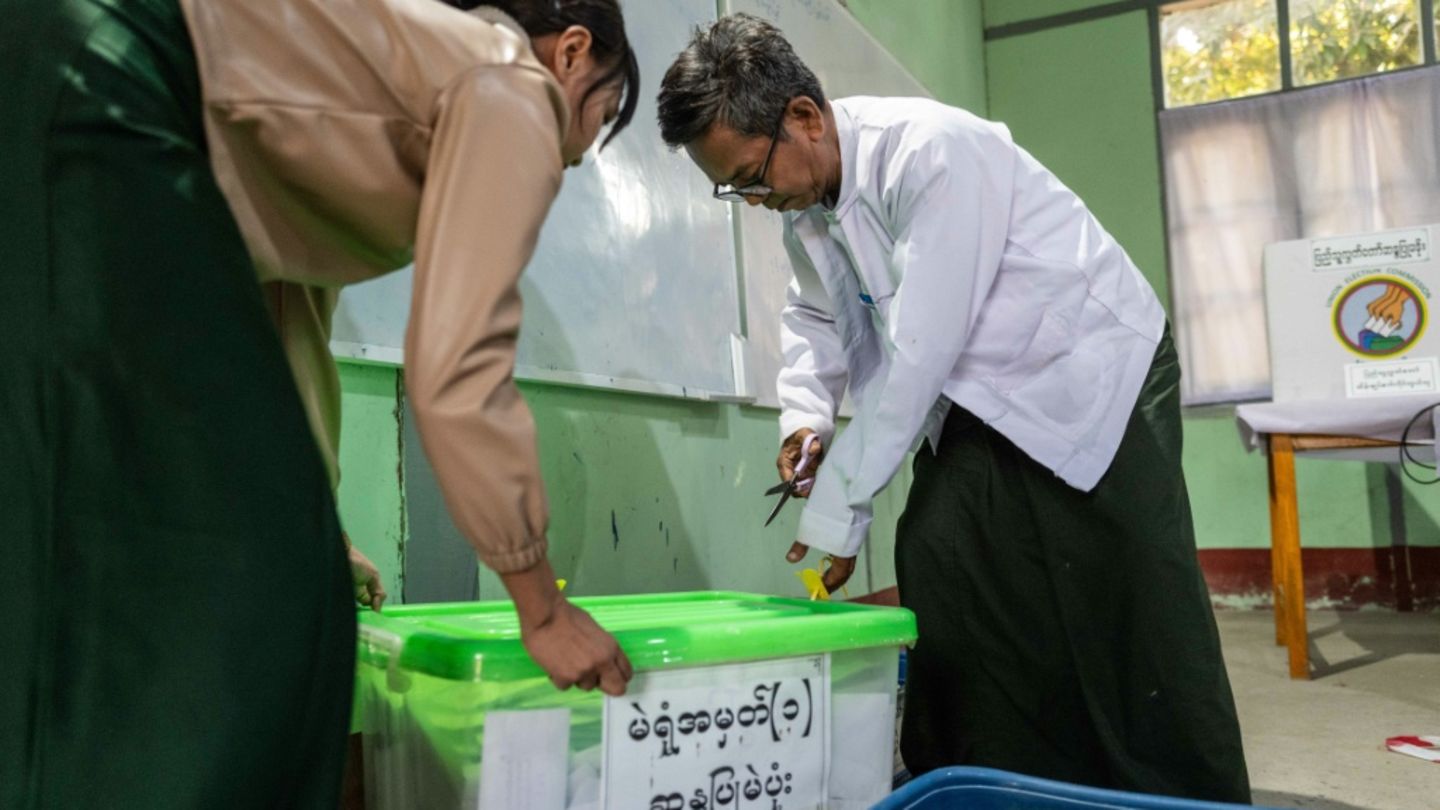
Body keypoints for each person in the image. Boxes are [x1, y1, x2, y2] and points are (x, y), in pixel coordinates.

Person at [1, 0, 636, 805]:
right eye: (604, 113)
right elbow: (459, 370)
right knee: (262, 605)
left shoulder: (365, 97)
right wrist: (541, 610)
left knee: (78, 525)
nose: (580, 154)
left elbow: (281, 320)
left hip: (50, 64)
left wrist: (322, 531)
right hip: (109, 72)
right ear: (572, 53)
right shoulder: (512, 83)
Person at [657, 14, 1250, 803]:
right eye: (732, 189)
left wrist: (839, 515)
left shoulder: (932, 152)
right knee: (946, 564)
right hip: (975, 394)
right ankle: (991, 787)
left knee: (1129, 608)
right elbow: (816, 318)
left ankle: (1182, 797)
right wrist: (806, 419)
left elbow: (917, 350)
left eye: (750, 176)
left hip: (1090, 377)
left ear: (803, 116)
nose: (752, 200)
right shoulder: (807, 206)